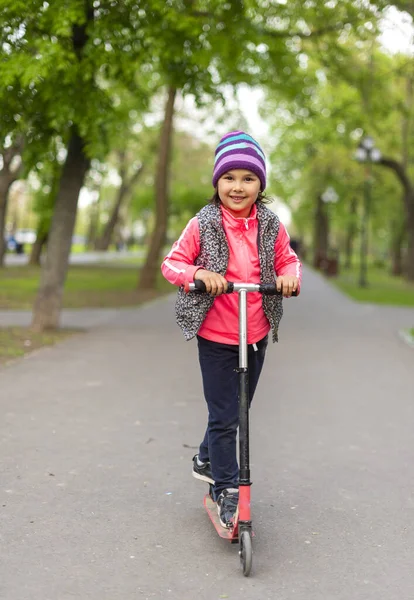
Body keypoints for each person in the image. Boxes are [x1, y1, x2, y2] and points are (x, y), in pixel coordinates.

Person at [161, 131, 302, 528]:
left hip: (254, 332)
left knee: (238, 409)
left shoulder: (271, 224)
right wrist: (199, 273)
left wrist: (290, 277)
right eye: (230, 178)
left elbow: (288, 261)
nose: (238, 187)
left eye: (248, 178)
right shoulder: (203, 223)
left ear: (260, 185)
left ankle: (207, 456)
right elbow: (171, 264)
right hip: (217, 334)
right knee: (225, 415)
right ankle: (226, 489)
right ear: (217, 182)